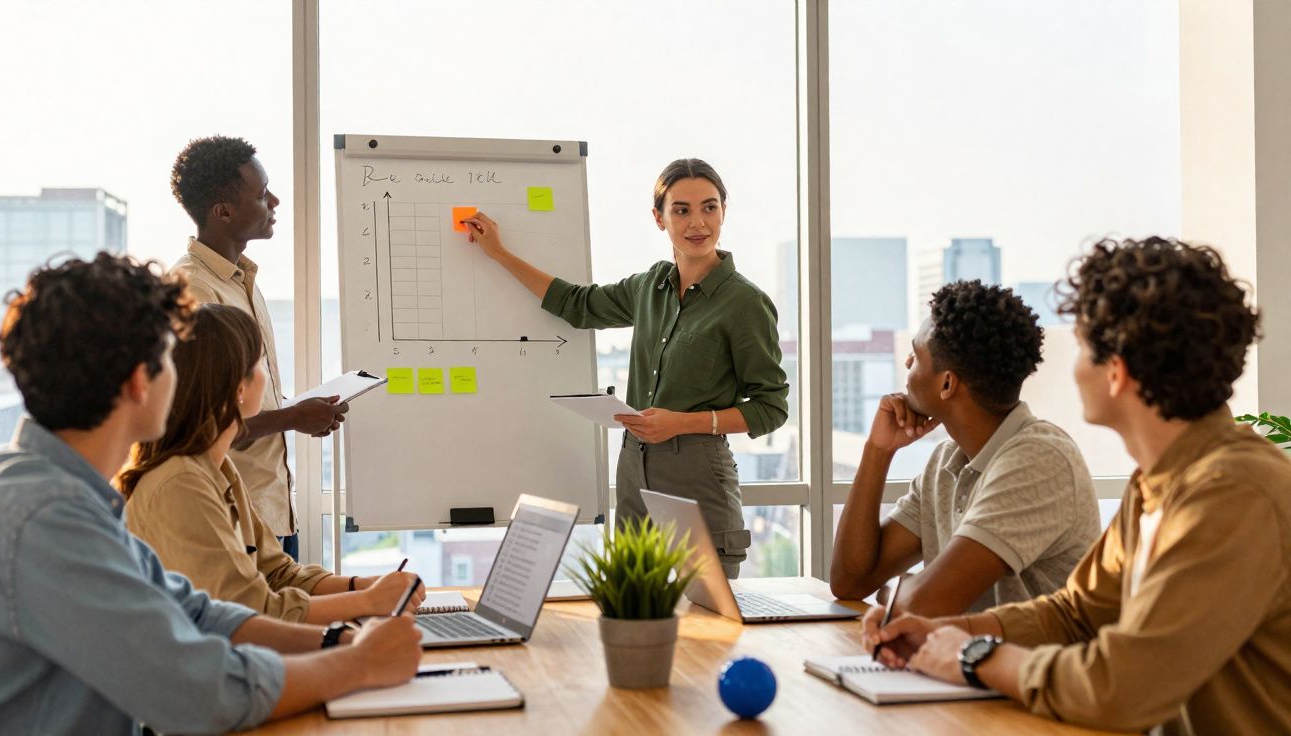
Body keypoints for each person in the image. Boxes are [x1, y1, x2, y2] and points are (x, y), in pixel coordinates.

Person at [0, 254, 422, 734]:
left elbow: (199, 612)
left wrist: (337, 642)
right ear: (137, 381)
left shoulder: (62, 494)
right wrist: (362, 664)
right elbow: (202, 691)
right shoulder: (45, 519)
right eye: (173, 357)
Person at [864, 237, 1291, 734]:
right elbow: (1077, 614)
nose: (1073, 366)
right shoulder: (1158, 482)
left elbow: (1122, 687)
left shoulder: (1232, 496)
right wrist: (949, 632)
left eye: (1084, 347)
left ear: (1117, 372)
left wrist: (973, 656)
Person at [463, 158, 788, 577]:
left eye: (709, 207)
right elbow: (577, 305)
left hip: (698, 472)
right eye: (681, 210)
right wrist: (499, 254)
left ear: (724, 212)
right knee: (635, 610)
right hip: (635, 466)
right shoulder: (650, 286)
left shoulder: (745, 303)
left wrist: (681, 423)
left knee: (707, 624)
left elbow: (771, 408)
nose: (698, 223)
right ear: (659, 218)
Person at [118, 303, 425, 622]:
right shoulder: (180, 482)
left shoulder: (218, 468)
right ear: (238, 386)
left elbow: (277, 573)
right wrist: (368, 601)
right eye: (262, 363)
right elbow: (250, 610)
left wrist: (362, 586)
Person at [830, 281, 1098, 615]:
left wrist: (893, 593)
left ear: (946, 384)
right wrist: (878, 451)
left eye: (916, 356)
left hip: (1030, 666)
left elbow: (927, 603)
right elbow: (850, 581)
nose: (907, 363)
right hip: (954, 663)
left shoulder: (1038, 459)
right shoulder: (946, 462)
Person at [169, 135, 345, 560]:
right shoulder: (195, 290)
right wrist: (294, 417)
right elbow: (206, 425)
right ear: (224, 211)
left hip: (272, 513)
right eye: (263, 194)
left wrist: (296, 413)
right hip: (232, 521)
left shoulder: (242, 282)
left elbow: (242, 398)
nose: (276, 201)